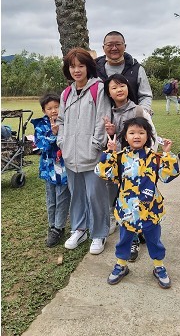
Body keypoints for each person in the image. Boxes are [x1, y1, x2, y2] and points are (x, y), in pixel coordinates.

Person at [95, 117, 180, 288]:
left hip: (151, 210)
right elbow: (103, 172)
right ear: (125, 137)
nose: (136, 136)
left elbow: (168, 176)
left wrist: (167, 154)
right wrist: (109, 152)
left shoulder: (155, 158)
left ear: (147, 136)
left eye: (141, 132)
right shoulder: (119, 158)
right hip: (127, 210)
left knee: (154, 240)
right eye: (132, 132)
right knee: (125, 239)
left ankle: (159, 266)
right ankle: (121, 265)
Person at [57, 48, 111, 255]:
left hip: (92, 155)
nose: (76, 70)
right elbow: (61, 120)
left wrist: (96, 144)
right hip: (70, 154)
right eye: (72, 66)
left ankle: (99, 233)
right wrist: (62, 142)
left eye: (81, 65)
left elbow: (103, 119)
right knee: (77, 194)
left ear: (89, 67)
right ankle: (79, 229)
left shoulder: (99, 89)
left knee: (96, 195)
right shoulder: (66, 93)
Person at [103, 74, 158, 260]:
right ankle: (132, 239)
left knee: (143, 201)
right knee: (128, 204)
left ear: (128, 88)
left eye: (122, 85)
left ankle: (141, 232)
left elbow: (152, 137)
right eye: (114, 87)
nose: (119, 90)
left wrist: (148, 164)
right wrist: (112, 132)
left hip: (142, 168)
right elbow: (114, 142)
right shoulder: (109, 113)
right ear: (109, 93)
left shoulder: (139, 111)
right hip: (122, 169)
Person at [31, 94, 71, 247]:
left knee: (62, 197)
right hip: (49, 169)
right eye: (49, 108)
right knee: (51, 199)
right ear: (44, 110)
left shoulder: (67, 122)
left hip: (63, 169)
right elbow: (41, 145)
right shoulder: (40, 125)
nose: (54, 111)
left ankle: (59, 228)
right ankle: (52, 225)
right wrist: (53, 134)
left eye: (56, 107)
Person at [95, 31, 153, 114]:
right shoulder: (95, 69)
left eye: (118, 44)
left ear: (125, 46)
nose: (114, 48)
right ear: (103, 47)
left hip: (131, 119)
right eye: (109, 45)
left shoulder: (136, 68)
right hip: (102, 119)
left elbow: (145, 95)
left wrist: (141, 113)